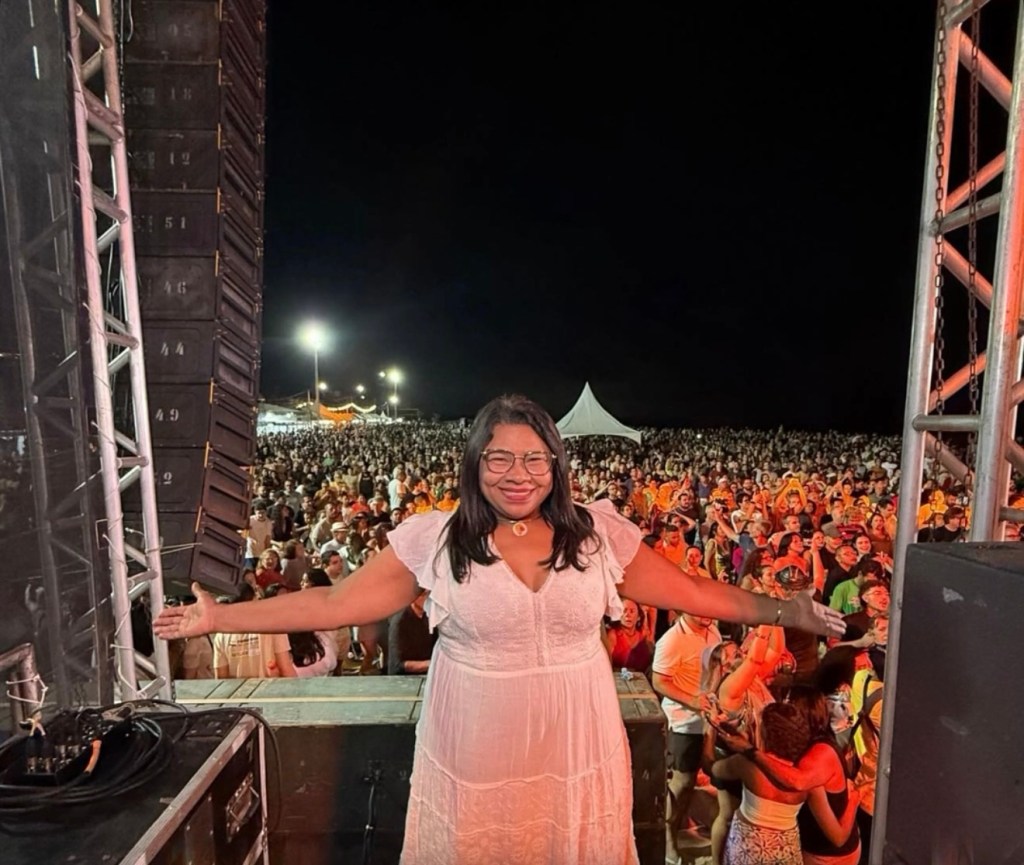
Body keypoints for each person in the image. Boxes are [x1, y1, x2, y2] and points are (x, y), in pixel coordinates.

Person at [154, 394, 843, 865]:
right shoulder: (436, 538)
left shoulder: (597, 535)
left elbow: (693, 590)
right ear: (476, 463)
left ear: (556, 464)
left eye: (534, 457)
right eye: (500, 457)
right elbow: (334, 603)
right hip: (477, 744)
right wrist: (218, 617)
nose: (519, 474)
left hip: (577, 737)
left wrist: (787, 610)